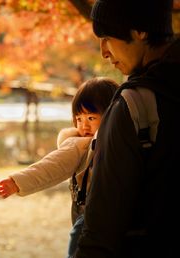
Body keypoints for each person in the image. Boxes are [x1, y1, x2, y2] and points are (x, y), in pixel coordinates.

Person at [74, 0, 180, 257]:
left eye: (107, 37)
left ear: (140, 31)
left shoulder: (135, 103)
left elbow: (103, 225)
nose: (103, 52)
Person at [0, 77, 118, 258]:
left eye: (91, 117)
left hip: (96, 217)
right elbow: (51, 166)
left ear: (111, 115)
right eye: (79, 118)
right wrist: (17, 182)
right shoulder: (79, 144)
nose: (84, 125)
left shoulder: (111, 143)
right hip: (88, 216)